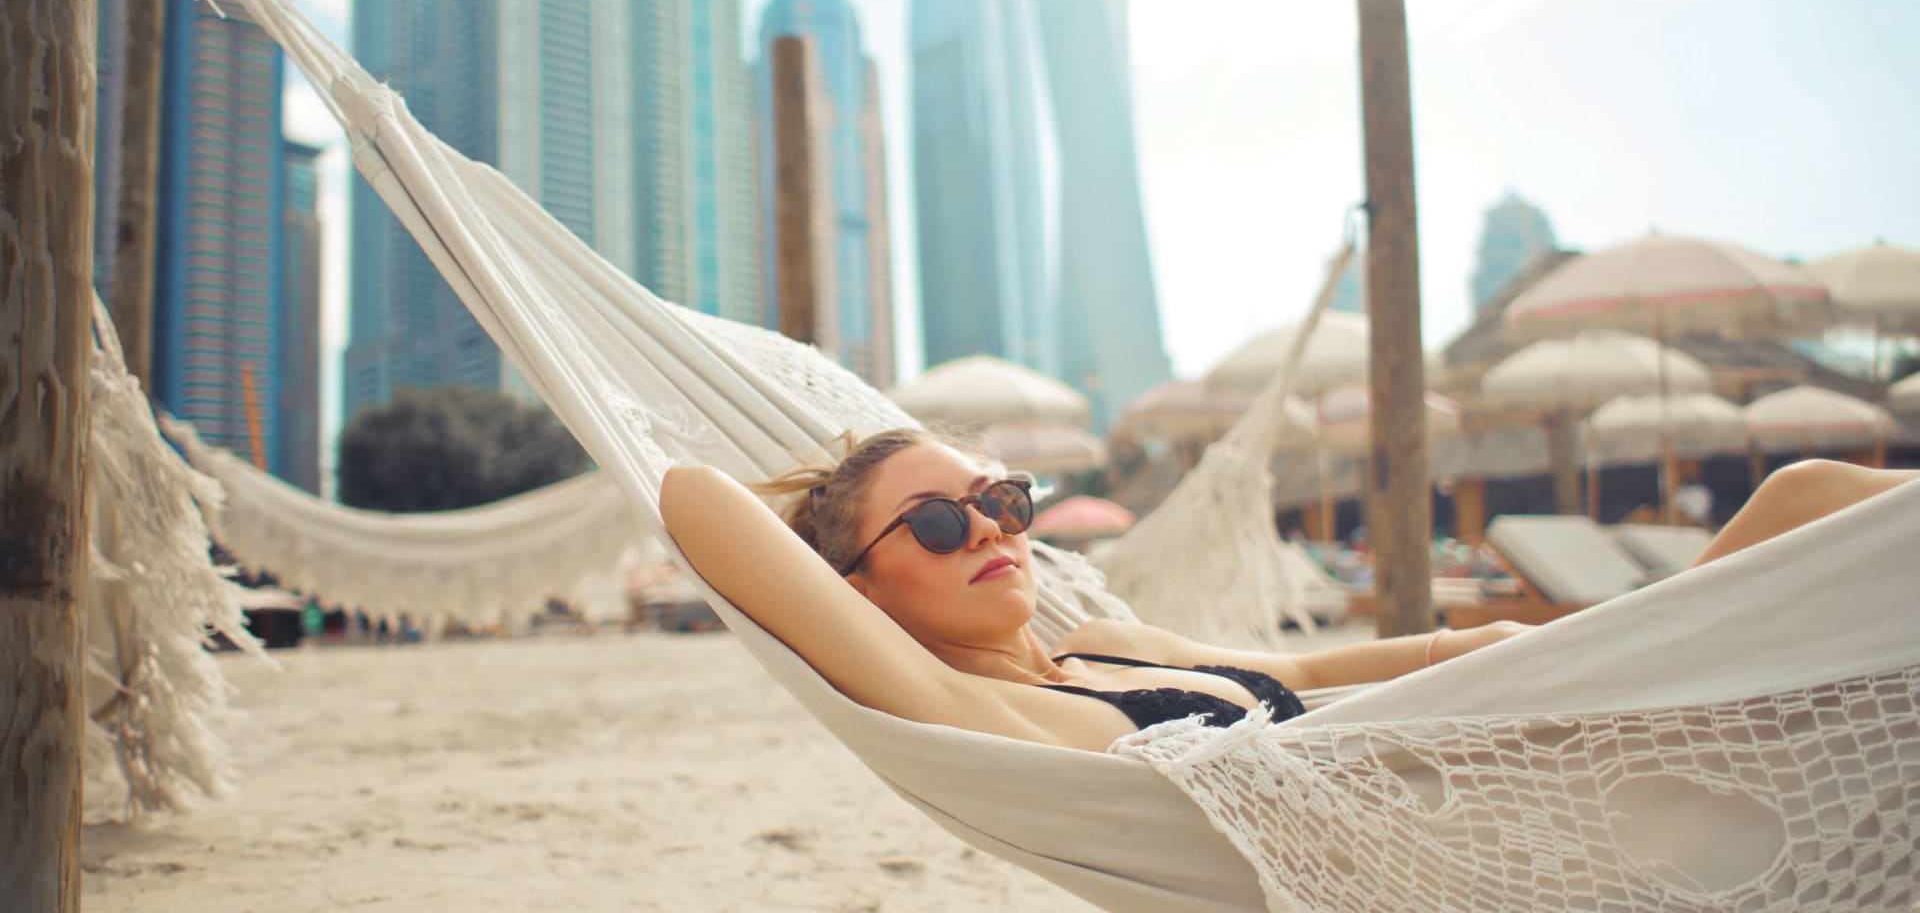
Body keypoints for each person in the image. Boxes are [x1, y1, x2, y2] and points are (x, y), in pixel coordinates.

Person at [661, 429, 1912, 754]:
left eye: (1005, 499)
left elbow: (1308, 675)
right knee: (1808, 501)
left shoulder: (1097, 642)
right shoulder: (967, 715)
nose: (991, 526)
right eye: (940, 521)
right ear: (860, 590)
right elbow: (692, 498)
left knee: (1805, 498)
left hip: (1530, 710)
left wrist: (1541, 640)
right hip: (1468, 798)